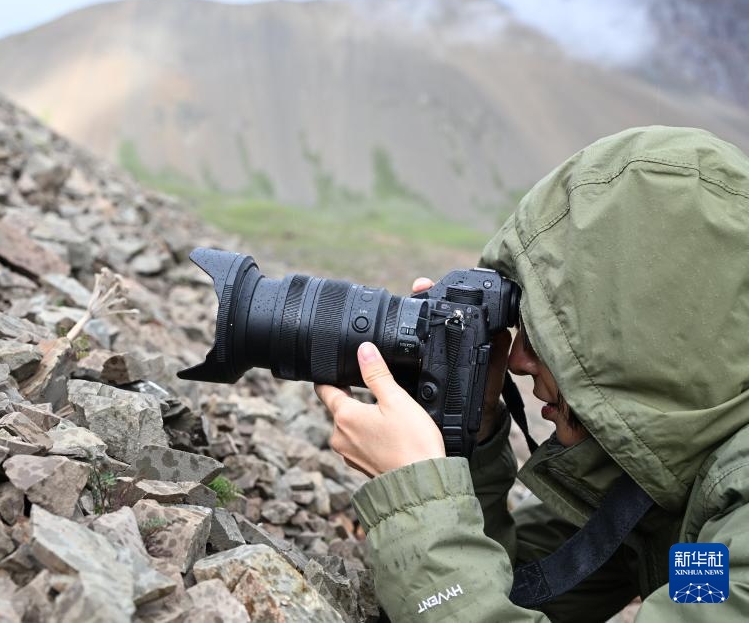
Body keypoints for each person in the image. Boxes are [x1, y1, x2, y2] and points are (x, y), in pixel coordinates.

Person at [315, 126, 749, 621]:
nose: (518, 361)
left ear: (652, 344)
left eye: (560, 332)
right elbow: (516, 585)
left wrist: (418, 501)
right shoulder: (669, 470)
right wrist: (463, 435)